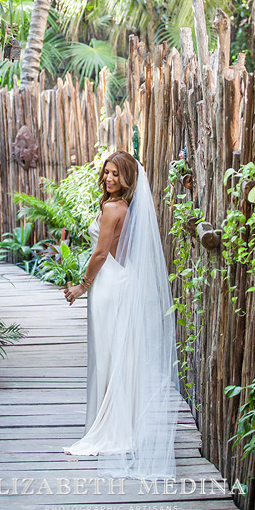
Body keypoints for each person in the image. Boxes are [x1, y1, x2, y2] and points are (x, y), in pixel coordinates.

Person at [63, 151, 180, 479]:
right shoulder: (127, 208)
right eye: (107, 172)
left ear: (128, 177)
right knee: (119, 353)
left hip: (109, 283)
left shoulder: (114, 208)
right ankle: (122, 425)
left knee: (110, 355)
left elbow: (101, 252)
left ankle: (114, 429)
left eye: (116, 174)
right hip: (121, 280)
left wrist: (81, 286)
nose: (109, 178)